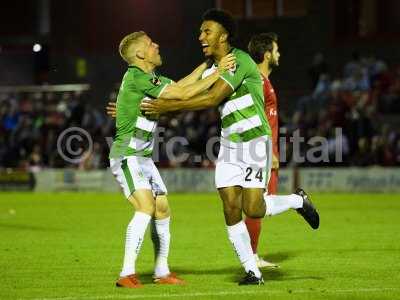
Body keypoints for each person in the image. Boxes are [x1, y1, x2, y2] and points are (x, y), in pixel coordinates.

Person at [141, 9, 320, 286]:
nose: (200, 36)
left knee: (254, 209)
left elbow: (212, 98)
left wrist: (165, 107)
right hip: (229, 146)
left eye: (206, 31)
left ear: (223, 36)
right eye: (200, 31)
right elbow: (180, 90)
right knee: (230, 208)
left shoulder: (238, 61)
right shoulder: (213, 68)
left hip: (254, 143)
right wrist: (138, 107)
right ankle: (253, 272)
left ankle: (298, 201)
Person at [109, 31, 235, 288]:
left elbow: (183, 85)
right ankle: (126, 273)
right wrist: (218, 71)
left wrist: (207, 65)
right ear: (141, 54)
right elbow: (181, 94)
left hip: (143, 157)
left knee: (162, 208)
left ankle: (161, 271)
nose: (156, 45)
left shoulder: (148, 78)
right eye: (150, 44)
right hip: (127, 154)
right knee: (145, 207)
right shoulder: (137, 77)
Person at [245, 32, 281, 269]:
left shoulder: (262, 81)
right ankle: (250, 257)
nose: (279, 54)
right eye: (276, 50)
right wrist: (269, 153)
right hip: (263, 152)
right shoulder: (257, 81)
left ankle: (251, 255)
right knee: (258, 205)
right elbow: (255, 119)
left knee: (259, 206)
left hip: (266, 150)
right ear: (267, 54)